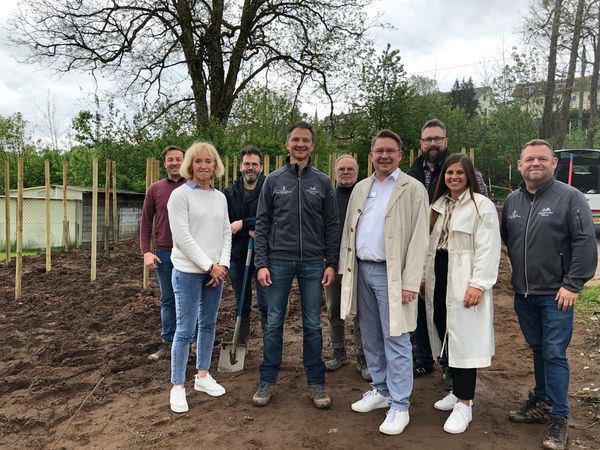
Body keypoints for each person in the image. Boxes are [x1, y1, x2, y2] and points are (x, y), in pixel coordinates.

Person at [502, 139, 597, 450]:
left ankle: (559, 416)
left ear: (553, 163)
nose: (535, 164)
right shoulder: (512, 202)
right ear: (520, 165)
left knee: (554, 353)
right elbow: (507, 239)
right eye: (529, 159)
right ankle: (542, 400)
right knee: (538, 348)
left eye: (542, 159)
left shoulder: (570, 198)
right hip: (524, 293)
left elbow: (585, 243)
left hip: (556, 294)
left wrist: (572, 284)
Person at [339, 129, 429, 435]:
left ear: (401, 155)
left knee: (397, 336)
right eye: (379, 151)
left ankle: (400, 404)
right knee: (371, 334)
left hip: (392, 274)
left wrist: (410, 281)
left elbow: (420, 239)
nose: (384, 156)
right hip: (361, 270)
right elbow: (349, 232)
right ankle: (381, 389)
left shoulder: (412, 189)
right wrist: (345, 270)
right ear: (371, 155)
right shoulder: (362, 187)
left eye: (391, 151)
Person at [252, 121, 339, 409]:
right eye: (295, 140)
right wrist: (261, 263)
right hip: (277, 261)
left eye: (306, 140)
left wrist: (331, 262)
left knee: (312, 324)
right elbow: (262, 223)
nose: (300, 144)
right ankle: (267, 380)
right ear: (287, 144)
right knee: (274, 320)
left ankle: (316, 382)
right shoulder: (273, 181)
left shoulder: (323, 182)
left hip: (314, 262)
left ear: (312, 146)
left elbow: (332, 225)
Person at [408, 118, 488, 391]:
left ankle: (454, 375)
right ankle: (425, 358)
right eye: (428, 139)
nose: (432, 143)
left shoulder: (471, 183)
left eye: (437, 139)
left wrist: (479, 281)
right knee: (429, 311)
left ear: (445, 141)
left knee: (456, 321)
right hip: (429, 255)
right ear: (421, 144)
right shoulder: (413, 173)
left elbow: (484, 235)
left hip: (461, 263)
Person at [424, 153, 501, 434]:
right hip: (440, 277)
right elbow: (429, 246)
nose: (453, 177)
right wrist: (423, 279)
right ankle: (456, 392)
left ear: (468, 175)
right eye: (449, 173)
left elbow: (488, 249)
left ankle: (465, 404)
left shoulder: (482, 207)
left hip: (464, 279)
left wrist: (478, 284)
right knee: (447, 335)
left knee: (465, 341)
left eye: (459, 173)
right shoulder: (439, 205)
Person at [166, 142, 232, 413]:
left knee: (208, 324)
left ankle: (202, 375)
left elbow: (226, 232)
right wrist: (209, 266)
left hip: (216, 271)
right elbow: (182, 237)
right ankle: (178, 386)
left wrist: (223, 265)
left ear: (215, 165)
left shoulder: (220, 197)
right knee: (185, 329)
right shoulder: (180, 196)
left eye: (209, 161)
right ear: (190, 165)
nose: (204, 166)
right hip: (189, 272)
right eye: (199, 161)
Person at [324, 155, 370, 381]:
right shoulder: (328, 197)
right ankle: (339, 351)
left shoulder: (366, 196)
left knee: (361, 310)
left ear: (358, 172)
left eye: (350, 169)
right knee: (334, 308)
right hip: (333, 261)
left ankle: (362, 356)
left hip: (359, 261)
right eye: (341, 169)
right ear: (334, 172)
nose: (345, 172)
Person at [140, 145, 186, 361]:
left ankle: (192, 341)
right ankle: (168, 342)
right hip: (165, 253)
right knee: (168, 299)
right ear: (165, 163)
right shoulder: (155, 189)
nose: (175, 163)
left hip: (189, 254)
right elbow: (145, 222)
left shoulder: (195, 187)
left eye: (179, 159)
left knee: (191, 298)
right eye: (170, 159)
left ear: (185, 161)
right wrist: (146, 252)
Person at [224, 146, 267, 343]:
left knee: (267, 302)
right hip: (238, 253)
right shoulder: (230, 193)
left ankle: (270, 343)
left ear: (261, 167)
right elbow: (227, 223)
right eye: (247, 164)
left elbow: (274, 217)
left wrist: (244, 223)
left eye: (254, 164)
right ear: (241, 166)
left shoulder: (269, 189)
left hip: (265, 254)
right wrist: (248, 229)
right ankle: (241, 343)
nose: (251, 167)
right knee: (241, 301)